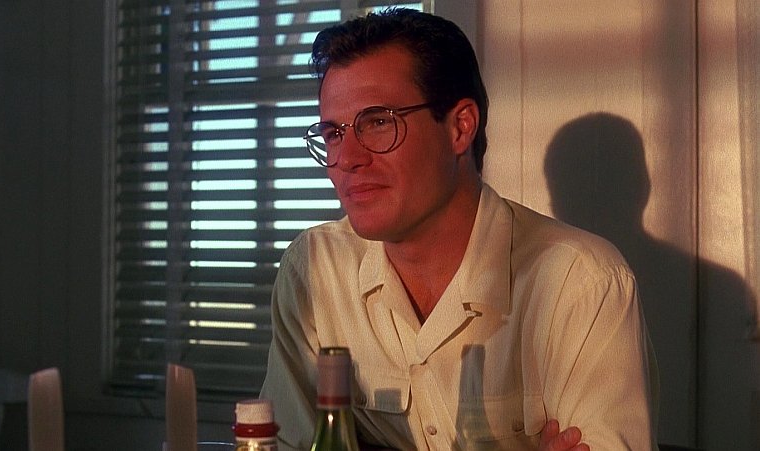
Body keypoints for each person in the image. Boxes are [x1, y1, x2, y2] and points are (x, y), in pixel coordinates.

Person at [260, 7, 658, 450]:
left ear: (460, 128)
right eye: (334, 133)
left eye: (378, 123)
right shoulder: (315, 269)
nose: (347, 159)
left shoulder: (581, 283)